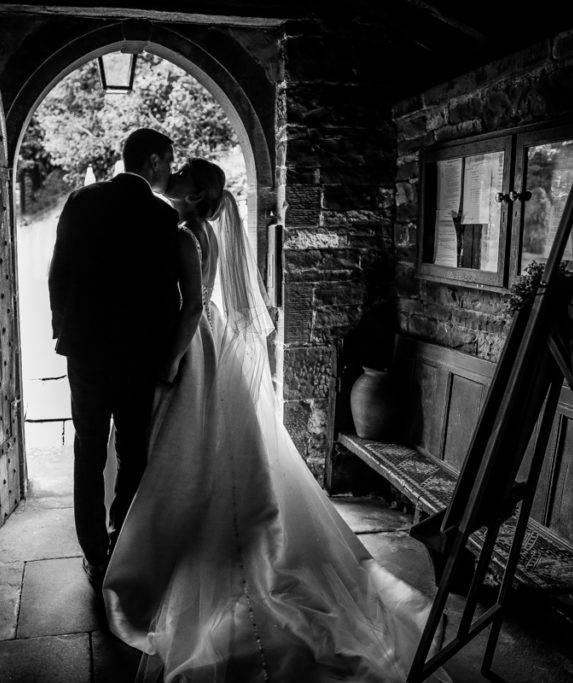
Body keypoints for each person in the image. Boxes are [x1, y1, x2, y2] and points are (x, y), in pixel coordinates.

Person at [101, 158, 450, 682]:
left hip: (194, 344)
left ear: (194, 194)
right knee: (219, 447)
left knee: (192, 447)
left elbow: (193, 306)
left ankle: (197, 543)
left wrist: (170, 362)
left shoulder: (183, 234)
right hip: (212, 341)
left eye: (179, 179)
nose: (168, 181)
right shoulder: (205, 231)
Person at [48, 128, 179, 589]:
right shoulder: (161, 217)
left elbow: (58, 271)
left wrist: (60, 328)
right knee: (131, 450)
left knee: (88, 450)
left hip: (84, 348)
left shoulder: (81, 202)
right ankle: (121, 535)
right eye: (167, 160)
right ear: (153, 161)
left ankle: (94, 555)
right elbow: (167, 295)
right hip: (136, 354)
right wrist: (164, 351)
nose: (170, 168)